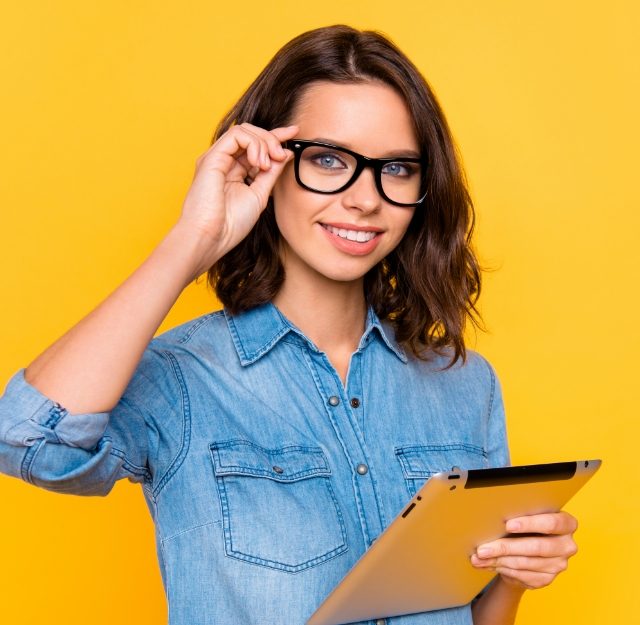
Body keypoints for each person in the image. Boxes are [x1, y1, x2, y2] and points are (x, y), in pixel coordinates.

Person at [0, 24, 578, 625]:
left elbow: (476, 612)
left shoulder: (465, 384)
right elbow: (25, 440)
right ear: (264, 163)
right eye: (329, 160)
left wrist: (514, 577)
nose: (365, 198)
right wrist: (193, 241)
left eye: (398, 169)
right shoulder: (180, 379)